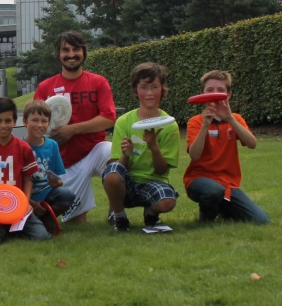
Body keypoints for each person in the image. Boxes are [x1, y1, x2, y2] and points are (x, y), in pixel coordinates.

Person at [34, 31, 117, 223]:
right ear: (58, 54)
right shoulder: (46, 87)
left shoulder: (98, 82)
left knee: (113, 153)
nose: (71, 54)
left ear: (84, 52)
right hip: (65, 162)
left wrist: (73, 129)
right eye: (66, 50)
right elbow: (35, 123)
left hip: (93, 151)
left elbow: (109, 117)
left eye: (76, 49)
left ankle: (116, 211)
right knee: (75, 222)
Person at [102, 62, 180, 231]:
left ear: (162, 89)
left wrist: (154, 147)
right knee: (111, 174)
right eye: (144, 87)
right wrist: (127, 155)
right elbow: (115, 168)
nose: (150, 93)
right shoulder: (124, 121)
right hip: (128, 183)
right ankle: (119, 217)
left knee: (168, 202)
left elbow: (161, 171)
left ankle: (151, 212)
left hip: (153, 181)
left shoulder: (170, 125)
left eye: (154, 87)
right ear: (135, 90)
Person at [184, 70, 269, 224]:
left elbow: (252, 144)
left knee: (261, 220)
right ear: (202, 94)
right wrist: (205, 126)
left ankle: (224, 209)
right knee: (213, 191)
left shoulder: (235, 118)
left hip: (228, 183)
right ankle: (206, 219)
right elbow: (194, 155)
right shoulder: (195, 122)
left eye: (220, 90)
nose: (215, 94)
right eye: (210, 90)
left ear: (228, 95)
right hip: (198, 180)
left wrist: (229, 118)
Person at [0, 97, 51, 244]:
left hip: (18, 207)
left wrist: (25, 204)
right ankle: (3, 229)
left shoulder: (23, 148)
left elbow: (27, 180)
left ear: (15, 121)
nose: (3, 125)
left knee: (42, 236)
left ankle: (13, 228)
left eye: (8, 121)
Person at [22, 100, 77, 235]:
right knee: (39, 234)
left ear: (49, 123)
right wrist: (31, 203)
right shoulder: (20, 146)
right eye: (35, 120)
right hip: (25, 197)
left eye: (44, 121)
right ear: (25, 121)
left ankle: (46, 218)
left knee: (67, 194)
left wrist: (56, 183)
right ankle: (33, 220)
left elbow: (58, 180)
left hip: (46, 193)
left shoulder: (52, 145)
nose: (39, 125)